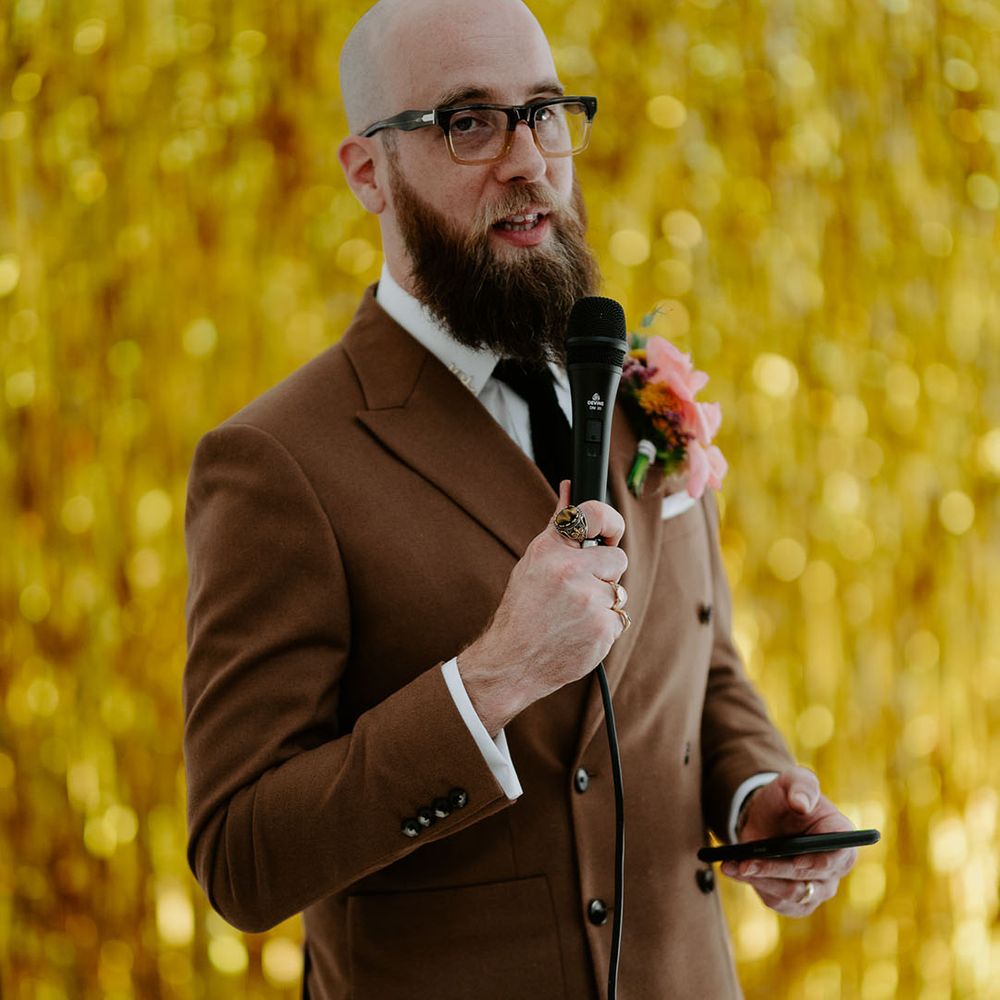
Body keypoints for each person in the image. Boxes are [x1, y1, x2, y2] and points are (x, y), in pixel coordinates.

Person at [182, 1, 858, 996]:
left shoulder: (638, 392)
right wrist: (488, 680)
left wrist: (755, 791)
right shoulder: (275, 461)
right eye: (466, 123)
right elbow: (241, 858)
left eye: (543, 112)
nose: (527, 159)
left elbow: (696, 668)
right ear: (368, 171)